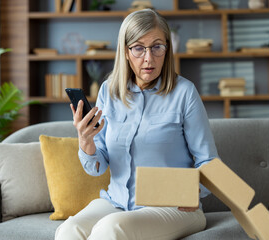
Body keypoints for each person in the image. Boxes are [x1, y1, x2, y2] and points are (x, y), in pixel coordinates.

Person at [56, 8, 219, 240]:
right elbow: (98, 166)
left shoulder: (184, 93)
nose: (148, 58)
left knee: (111, 228)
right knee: (68, 229)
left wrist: (191, 191)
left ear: (167, 49)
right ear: (125, 51)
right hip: (118, 202)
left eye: (157, 47)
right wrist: (86, 142)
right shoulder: (109, 91)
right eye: (138, 48)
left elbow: (210, 162)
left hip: (174, 207)